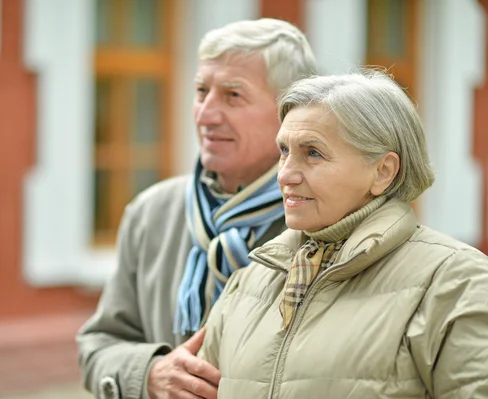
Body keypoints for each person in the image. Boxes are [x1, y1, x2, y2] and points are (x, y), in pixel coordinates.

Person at [197, 69, 488, 398]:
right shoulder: (249, 281)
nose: (286, 175)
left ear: (382, 172)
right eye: (283, 151)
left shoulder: (456, 280)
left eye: (313, 153)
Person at [76, 18, 317, 399]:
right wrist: (149, 372)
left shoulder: (324, 221)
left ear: (289, 111)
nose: (205, 114)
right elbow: (100, 344)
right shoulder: (151, 213)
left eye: (232, 95)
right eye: (201, 91)